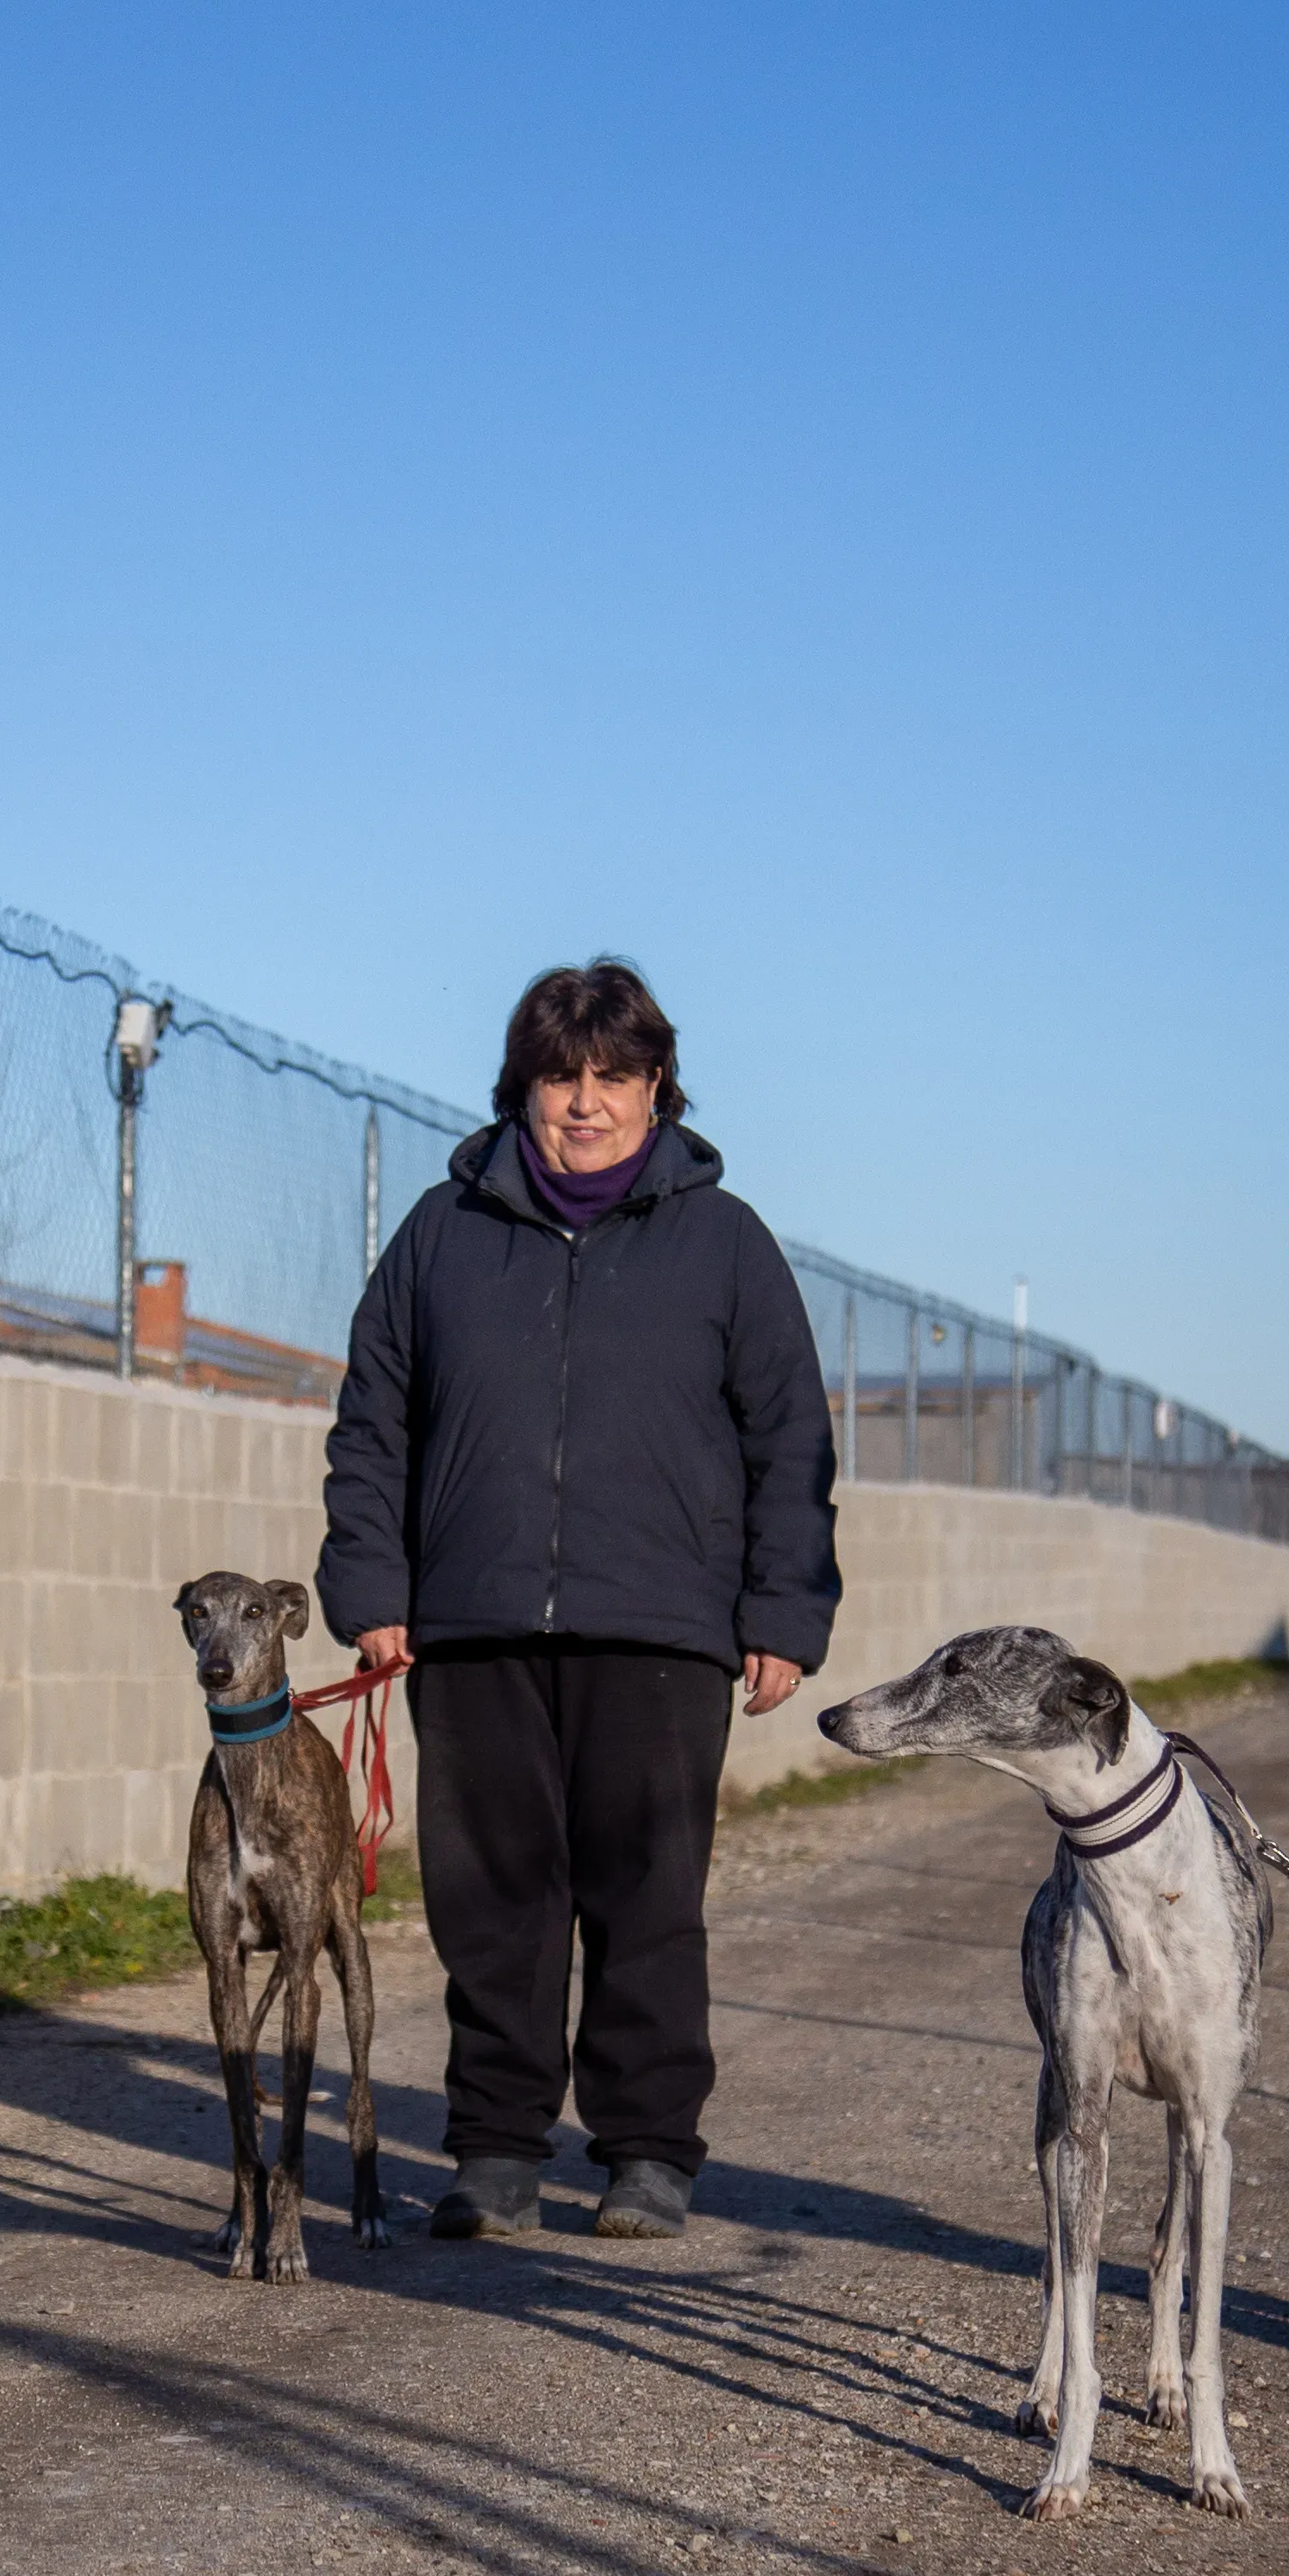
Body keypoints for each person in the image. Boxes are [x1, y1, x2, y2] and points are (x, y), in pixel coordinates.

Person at [320, 961, 839, 2243]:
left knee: (647, 1900)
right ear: (523, 1089)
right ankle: (495, 2151)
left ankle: (648, 2154)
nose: (587, 1103)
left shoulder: (726, 1244)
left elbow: (790, 1440)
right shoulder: (441, 1234)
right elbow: (371, 1424)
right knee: (493, 1904)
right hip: (474, 1623)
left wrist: (782, 1607)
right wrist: (373, 1587)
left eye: (615, 1077)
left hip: (662, 1628)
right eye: (562, 1076)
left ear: (658, 1088)